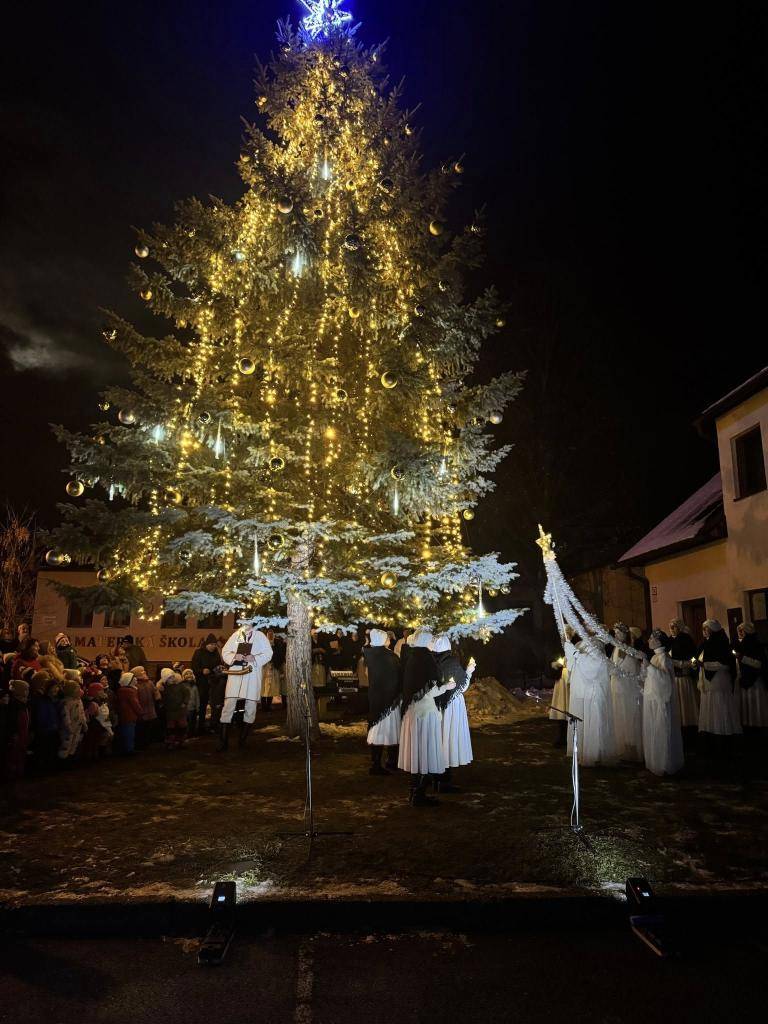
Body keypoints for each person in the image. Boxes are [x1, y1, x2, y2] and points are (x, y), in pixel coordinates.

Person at [398, 627, 456, 806]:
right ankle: (419, 795)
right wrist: (447, 687)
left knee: (418, 751)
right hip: (424, 713)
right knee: (424, 750)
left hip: (413, 711)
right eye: (431, 640)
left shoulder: (412, 657)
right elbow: (429, 690)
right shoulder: (425, 659)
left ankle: (415, 790)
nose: (433, 644)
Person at [566, 631, 618, 767]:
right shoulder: (581, 643)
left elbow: (596, 665)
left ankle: (595, 753)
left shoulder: (596, 643)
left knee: (594, 720)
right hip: (583, 688)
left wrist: (576, 655)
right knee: (585, 719)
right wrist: (570, 649)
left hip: (594, 688)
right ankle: (585, 750)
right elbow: (572, 665)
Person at [219, 623, 272, 750]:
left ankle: (242, 740)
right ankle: (223, 741)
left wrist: (254, 658)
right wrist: (234, 656)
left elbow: (268, 653)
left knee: (251, 706)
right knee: (228, 705)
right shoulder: (236, 635)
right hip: (235, 674)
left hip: (252, 674)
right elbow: (225, 652)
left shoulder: (260, 636)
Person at [432, 635, 476, 791]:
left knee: (438, 739)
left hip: (436, 705)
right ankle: (444, 781)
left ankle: (436, 778)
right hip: (451, 707)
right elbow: (462, 686)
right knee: (448, 739)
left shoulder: (432, 661)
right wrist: (469, 672)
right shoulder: (451, 662)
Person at [643, 630, 684, 776]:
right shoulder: (655, 656)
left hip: (661, 700)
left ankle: (664, 762)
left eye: (651, 638)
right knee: (654, 728)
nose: (648, 640)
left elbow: (665, 681)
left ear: (659, 642)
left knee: (662, 729)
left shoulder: (664, 658)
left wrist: (650, 668)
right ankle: (656, 760)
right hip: (653, 697)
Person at [697, 619, 741, 751]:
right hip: (708, 681)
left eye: (707, 629)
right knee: (710, 707)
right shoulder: (705, 644)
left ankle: (722, 734)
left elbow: (725, 664)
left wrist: (705, 665)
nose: (704, 631)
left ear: (713, 630)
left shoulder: (721, 644)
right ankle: (710, 733)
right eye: (703, 629)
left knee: (720, 706)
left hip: (719, 681)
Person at [363, 628, 402, 775]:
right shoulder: (391, 657)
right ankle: (391, 761)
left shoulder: (370, 654)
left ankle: (376, 763)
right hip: (390, 700)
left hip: (376, 699)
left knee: (376, 729)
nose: (390, 640)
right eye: (387, 638)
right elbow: (399, 676)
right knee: (393, 729)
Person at [610, 622, 644, 762]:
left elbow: (632, 669)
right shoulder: (616, 648)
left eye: (619, 633)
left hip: (627, 688)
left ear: (625, 634)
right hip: (617, 686)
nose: (617, 635)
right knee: (618, 713)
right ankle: (621, 745)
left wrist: (617, 671)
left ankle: (631, 747)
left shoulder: (629, 650)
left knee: (628, 714)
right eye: (615, 633)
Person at [668, 619, 700, 740]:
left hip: (683, 677)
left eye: (674, 626)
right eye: (671, 627)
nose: (672, 629)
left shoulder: (685, 639)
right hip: (673, 677)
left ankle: (688, 729)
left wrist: (678, 663)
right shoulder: (669, 640)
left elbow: (692, 659)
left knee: (685, 706)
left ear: (679, 627)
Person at [734, 622, 768, 730]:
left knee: (756, 703)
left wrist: (742, 658)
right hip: (745, 677)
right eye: (739, 631)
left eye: (741, 631)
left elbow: (758, 663)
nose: (739, 633)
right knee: (748, 703)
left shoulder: (756, 645)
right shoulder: (741, 644)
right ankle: (749, 724)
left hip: (755, 679)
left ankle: (759, 725)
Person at [191, 634, 223, 732]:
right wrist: (201, 671)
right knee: (202, 705)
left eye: (215, 644)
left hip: (214, 682)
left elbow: (219, 665)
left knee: (215, 705)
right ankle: (201, 726)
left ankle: (214, 725)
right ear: (207, 644)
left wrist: (218, 670)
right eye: (212, 644)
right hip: (202, 683)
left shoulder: (216, 653)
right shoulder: (198, 653)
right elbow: (194, 667)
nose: (213, 646)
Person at [58, 677, 87, 762]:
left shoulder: (78, 701)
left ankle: (71, 757)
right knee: (66, 743)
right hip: (68, 728)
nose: (79, 691)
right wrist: (68, 726)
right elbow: (65, 716)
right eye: (77, 689)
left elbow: (81, 713)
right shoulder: (66, 703)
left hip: (77, 726)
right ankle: (63, 759)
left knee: (74, 742)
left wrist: (84, 723)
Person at [116, 671, 142, 755]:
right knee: (129, 733)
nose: (135, 679)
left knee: (126, 731)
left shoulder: (121, 690)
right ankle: (129, 749)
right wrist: (140, 712)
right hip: (130, 715)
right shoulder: (130, 691)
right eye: (133, 678)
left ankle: (126, 748)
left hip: (124, 715)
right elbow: (135, 703)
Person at [163, 671, 191, 749]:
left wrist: (185, 703)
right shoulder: (166, 688)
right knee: (171, 727)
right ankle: (171, 741)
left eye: (173, 677)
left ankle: (181, 740)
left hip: (180, 710)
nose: (172, 679)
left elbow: (187, 694)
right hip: (170, 711)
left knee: (182, 725)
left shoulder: (180, 686)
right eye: (170, 678)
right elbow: (164, 698)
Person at [548, 656, 569, 747]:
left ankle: (566, 737)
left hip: (569, 680)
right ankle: (562, 737)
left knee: (568, 707)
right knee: (562, 707)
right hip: (562, 680)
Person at [134, 666, 157, 748]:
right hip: (141, 710)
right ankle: (140, 744)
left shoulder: (149, 683)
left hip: (150, 708)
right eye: (142, 672)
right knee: (141, 728)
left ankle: (147, 742)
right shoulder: (136, 684)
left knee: (148, 727)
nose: (144, 673)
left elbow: (155, 692)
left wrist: (157, 695)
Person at [261, 628, 283, 712]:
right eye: (269, 633)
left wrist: (274, 662)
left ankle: (269, 705)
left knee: (271, 687)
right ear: (267, 634)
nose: (270, 635)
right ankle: (263, 706)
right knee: (263, 687)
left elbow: (279, 654)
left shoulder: (276, 643)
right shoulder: (263, 643)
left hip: (273, 667)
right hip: (264, 668)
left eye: (271, 633)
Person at [181, 668, 199, 736]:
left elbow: (197, 697)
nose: (189, 675)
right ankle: (186, 734)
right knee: (186, 722)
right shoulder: (182, 686)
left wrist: (198, 706)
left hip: (193, 708)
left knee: (192, 722)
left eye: (190, 674)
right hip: (185, 708)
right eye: (186, 674)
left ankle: (191, 733)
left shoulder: (194, 687)